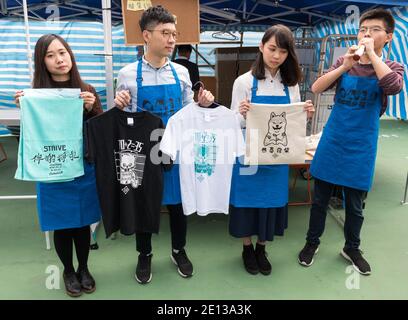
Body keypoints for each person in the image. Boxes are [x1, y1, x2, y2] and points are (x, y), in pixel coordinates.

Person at [298, 8, 404, 275]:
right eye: (362, 29)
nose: (366, 33)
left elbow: (393, 86)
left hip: (362, 144)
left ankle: (352, 247)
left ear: (389, 36)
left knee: (354, 204)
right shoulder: (345, 62)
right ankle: (312, 242)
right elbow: (317, 87)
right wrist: (345, 65)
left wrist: (371, 56)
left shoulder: (391, 67)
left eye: (374, 29)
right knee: (320, 199)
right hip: (333, 139)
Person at [114, 5, 214, 284]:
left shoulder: (181, 73)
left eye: (174, 33)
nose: (172, 39)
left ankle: (178, 250)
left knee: (178, 205)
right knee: (144, 204)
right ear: (146, 35)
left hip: (175, 148)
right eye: (165, 33)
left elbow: (186, 111)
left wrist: (201, 104)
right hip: (139, 152)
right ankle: (144, 254)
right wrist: (118, 105)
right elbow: (122, 118)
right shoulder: (126, 73)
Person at [14, 34, 103, 297]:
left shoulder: (87, 89)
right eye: (50, 55)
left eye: (62, 52)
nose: (59, 59)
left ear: (70, 55)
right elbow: (32, 134)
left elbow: (99, 129)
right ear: (42, 62)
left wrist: (90, 109)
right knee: (62, 223)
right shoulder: (35, 94)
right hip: (51, 169)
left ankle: (84, 268)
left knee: (82, 222)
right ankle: (67, 270)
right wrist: (25, 106)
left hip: (81, 167)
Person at [229, 25, 314, 275]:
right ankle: (247, 248)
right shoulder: (243, 82)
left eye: (283, 51)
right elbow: (232, 122)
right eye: (272, 48)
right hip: (248, 154)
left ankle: (261, 248)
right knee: (246, 202)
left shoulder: (291, 85)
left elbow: (293, 125)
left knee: (269, 203)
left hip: (277, 154)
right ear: (261, 47)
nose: (276, 56)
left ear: (289, 55)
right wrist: (242, 113)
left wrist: (305, 115)